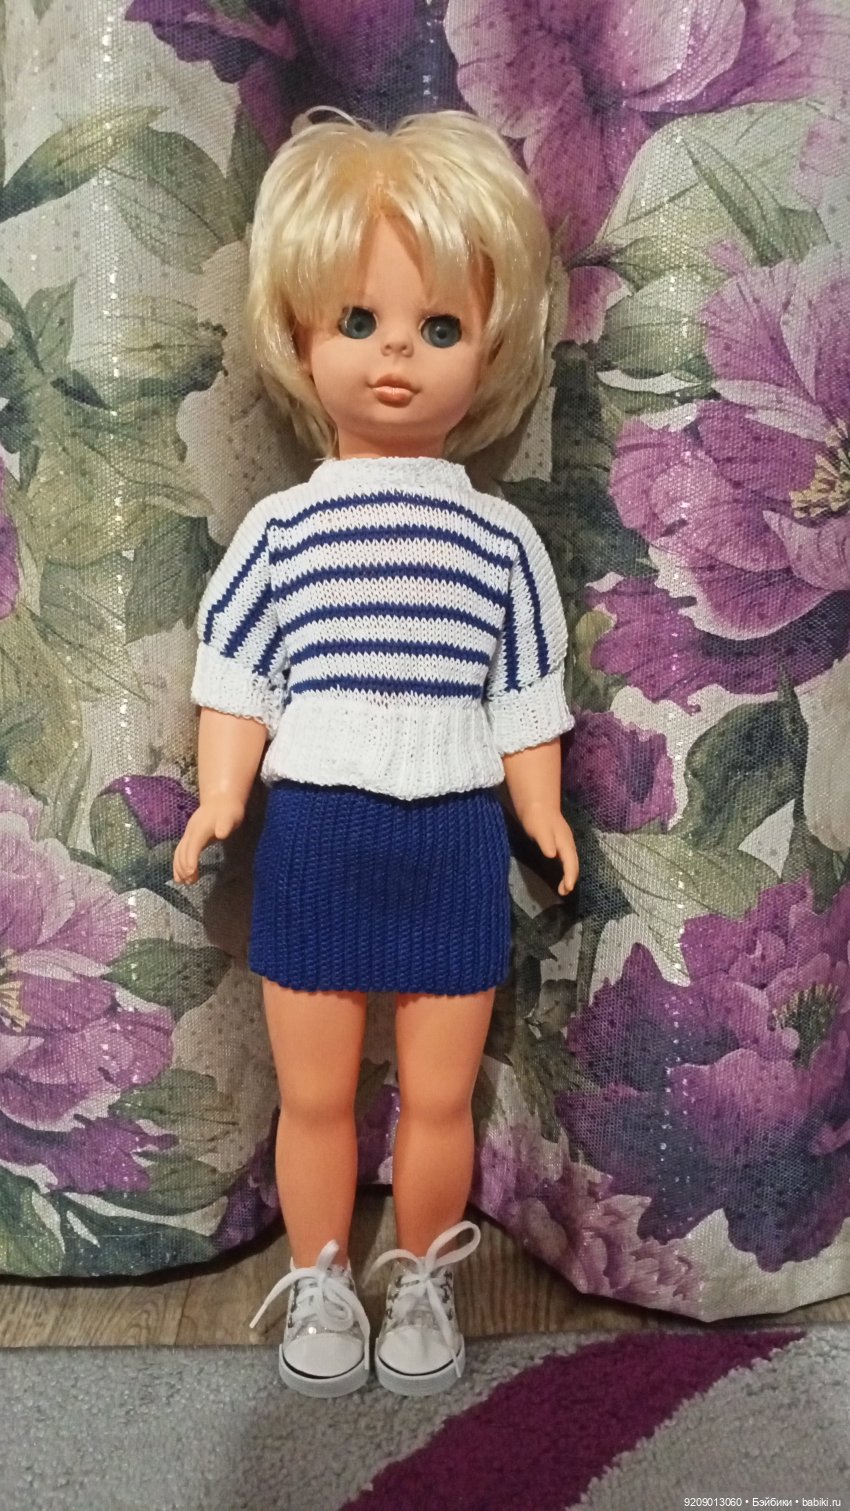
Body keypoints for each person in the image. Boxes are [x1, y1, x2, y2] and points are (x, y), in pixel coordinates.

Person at [173, 109, 578, 1399]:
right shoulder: (282, 534)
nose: (397, 351)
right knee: (315, 1097)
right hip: (316, 837)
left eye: (439, 327)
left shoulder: (501, 542)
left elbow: (526, 690)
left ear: (490, 350)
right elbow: (236, 673)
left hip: (453, 839)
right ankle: (322, 1276)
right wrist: (221, 794)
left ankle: (421, 1279)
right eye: (359, 320)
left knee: (441, 1100)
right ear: (301, 336)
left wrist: (543, 810)